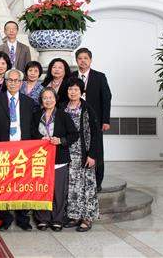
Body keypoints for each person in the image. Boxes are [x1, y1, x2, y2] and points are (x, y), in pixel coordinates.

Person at [0, 68, 36, 231]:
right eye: (10, 80)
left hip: (23, 150)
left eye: (17, 81)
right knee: (2, 185)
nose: (13, 83)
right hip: (2, 149)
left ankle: (23, 218)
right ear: (5, 81)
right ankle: (5, 217)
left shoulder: (29, 102)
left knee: (23, 184)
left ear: (21, 83)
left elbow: (32, 127)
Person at [33, 87, 78, 232]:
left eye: (50, 97)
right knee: (42, 189)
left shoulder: (63, 116)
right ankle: (42, 218)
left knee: (58, 191)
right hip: (40, 159)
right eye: (45, 98)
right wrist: (40, 139)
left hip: (59, 159)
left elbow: (74, 135)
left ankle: (57, 219)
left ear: (55, 99)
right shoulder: (36, 115)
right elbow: (30, 133)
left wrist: (61, 140)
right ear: (41, 100)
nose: (48, 100)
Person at [63, 78, 100, 232]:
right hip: (67, 152)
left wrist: (92, 155)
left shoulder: (87, 109)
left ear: (81, 92)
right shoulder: (62, 107)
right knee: (72, 186)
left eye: (76, 89)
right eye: (70, 89)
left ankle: (87, 218)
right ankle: (74, 215)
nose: (72, 92)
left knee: (87, 185)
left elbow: (96, 134)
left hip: (84, 152)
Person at [73, 48, 112, 192]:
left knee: (97, 150)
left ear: (90, 60)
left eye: (86, 58)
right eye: (80, 58)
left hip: (95, 120)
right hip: (75, 119)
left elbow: (106, 98)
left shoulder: (99, 77)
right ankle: (79, 179)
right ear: (76, 60)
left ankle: (98, 181)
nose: (83, 61)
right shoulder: (72, 76)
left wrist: (105, 120)